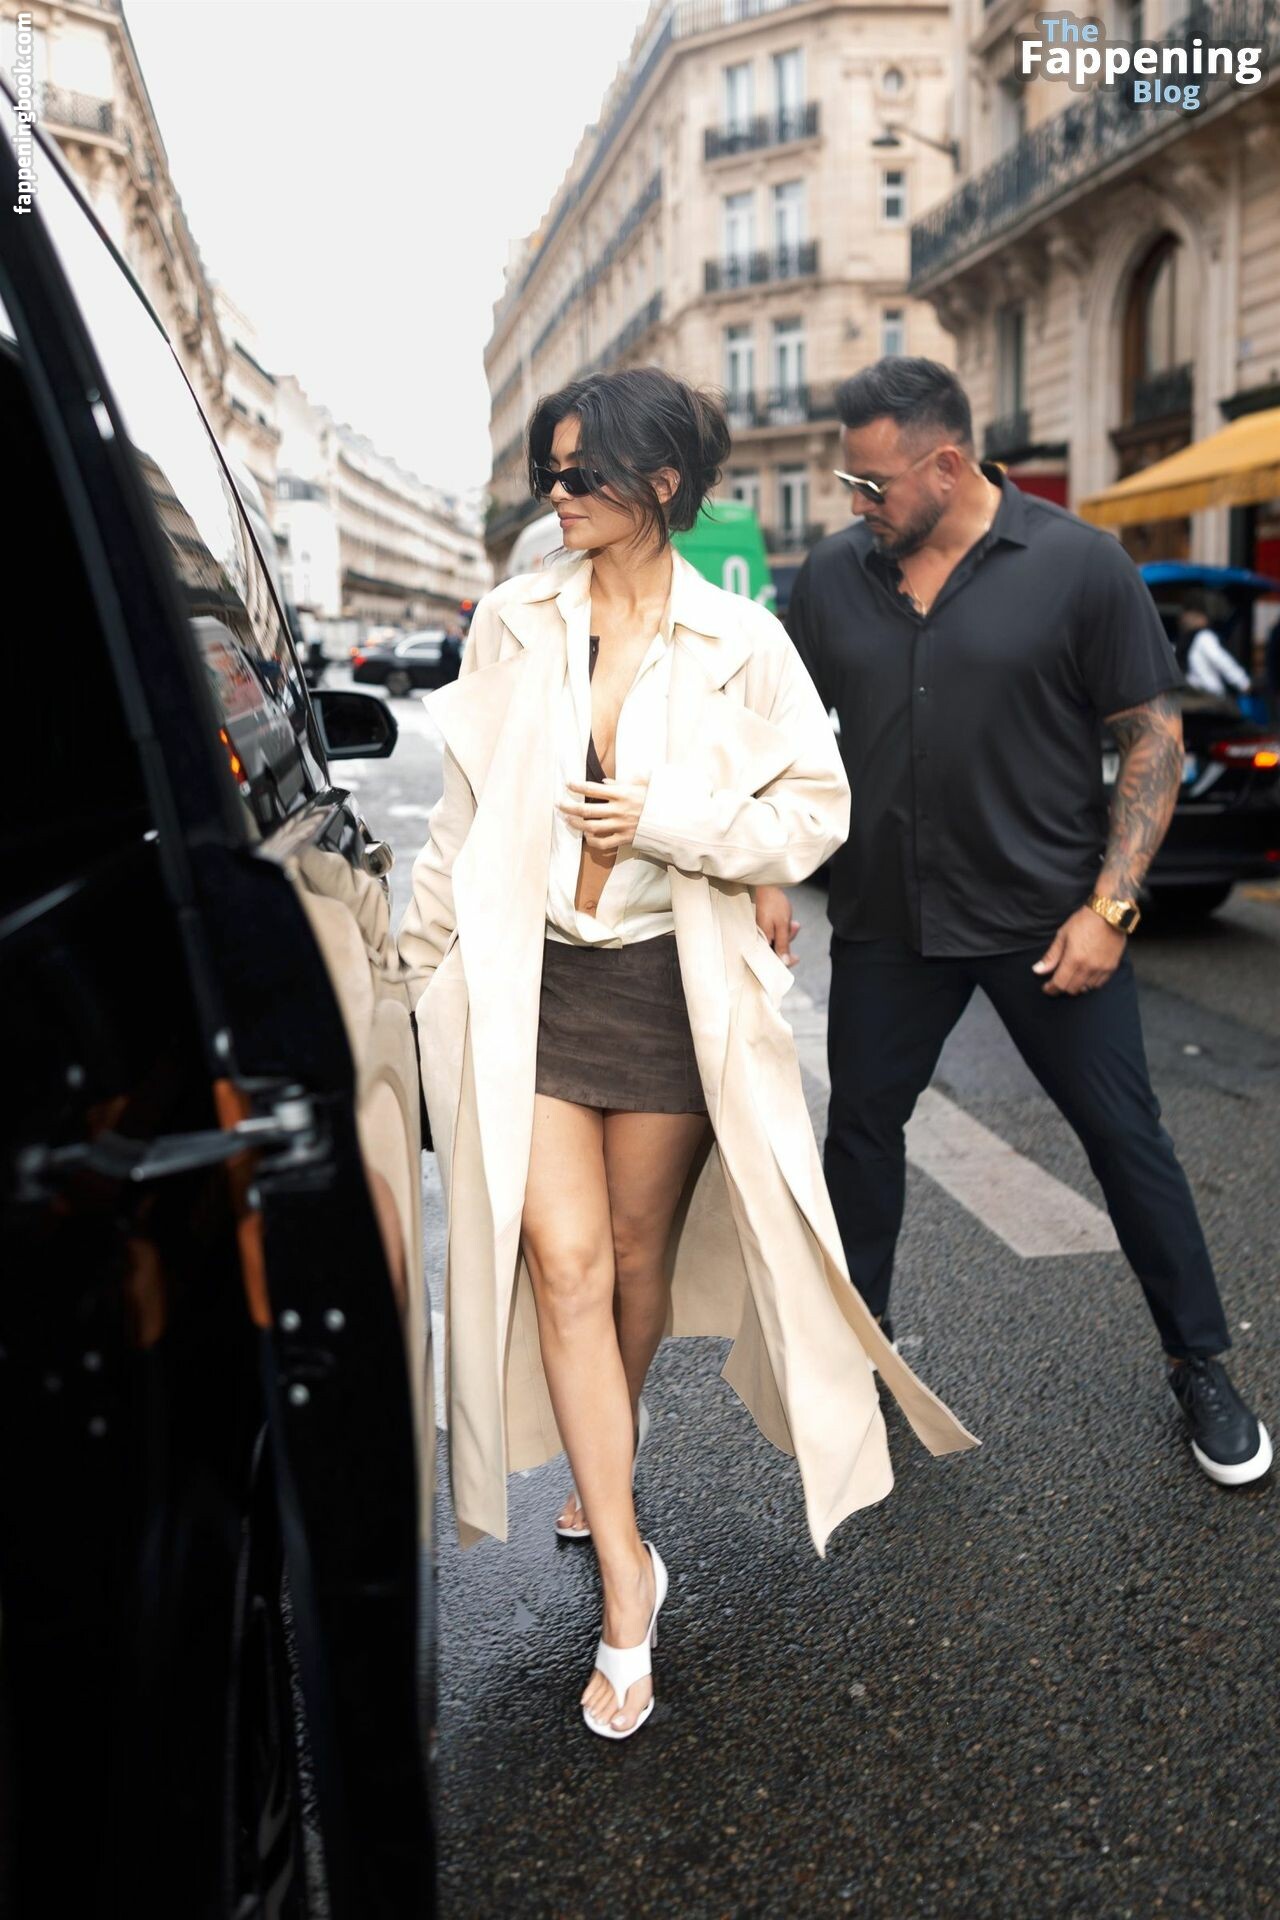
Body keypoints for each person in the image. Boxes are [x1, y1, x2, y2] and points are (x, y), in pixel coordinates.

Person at [395, 366, 978, 1741]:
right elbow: (459, 821)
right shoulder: (514, 617)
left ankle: (610, 1449)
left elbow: (813, 814)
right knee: (563, 1262)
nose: (555, 495)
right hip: (531, 983)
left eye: (578, 474)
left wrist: (667, 821)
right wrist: (422, 982)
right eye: (547, 472)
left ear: (659, 484)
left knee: (632, 1262)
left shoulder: (739, 639)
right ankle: (625, 1577)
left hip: (667, 991)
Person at [778, 356, 1269, 1490]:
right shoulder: (836, 576)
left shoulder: (1080, 565)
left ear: (947, 466)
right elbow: (787, 734)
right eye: (850, 483)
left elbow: (1152, 741)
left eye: (874, 484)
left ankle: (1199, 1363)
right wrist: (766, 871)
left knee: (1126, 1139)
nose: (857, 503)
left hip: (1046, 923)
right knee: (860, 1134)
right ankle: (862, 1350)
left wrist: (1111, 908)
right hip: (886, 918)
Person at [1179, 599, 1253, 699]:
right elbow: (1220, 660)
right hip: (1208, 696)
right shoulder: (1202, 637)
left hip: (1195, 695)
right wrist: (1243, 682)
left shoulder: (1189, 639)